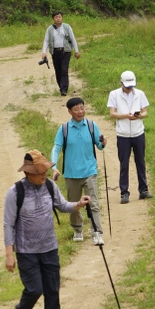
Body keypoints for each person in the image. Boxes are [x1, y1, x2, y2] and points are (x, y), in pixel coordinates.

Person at [4, 149, 90, 309]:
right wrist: (9, 253)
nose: (44, 174)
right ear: (28, 173)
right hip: (26, 251)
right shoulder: (15, 192)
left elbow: (62, 206)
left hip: (49, 248)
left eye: (45, 170)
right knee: (35, 289)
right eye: (40, 172)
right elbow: (8, 224)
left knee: (52, 290)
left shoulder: (50, 186)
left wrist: (77, 204)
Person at [50, 97, 107, 245]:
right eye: (76, 109)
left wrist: (103, 143)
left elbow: (99, 146)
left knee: (93, 203)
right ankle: (77, 229)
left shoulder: (91, 125)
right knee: (74, 204)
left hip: (90, 171)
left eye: (82, 108)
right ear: (69, 111)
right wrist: (54, 166)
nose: (80, 111)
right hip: (71, 174)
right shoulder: (64, 129)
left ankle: (96, 232)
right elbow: (56, 148)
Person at [107, 70, 151, 204]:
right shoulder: (114, 94)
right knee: (124, 164)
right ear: (121, 83)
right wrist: (126, 116)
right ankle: (124, 192)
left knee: (140, 162)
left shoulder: (140, 94)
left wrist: (138, 116)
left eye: (131, 85)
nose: (129, 88)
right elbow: (112, 114)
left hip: (138, 132)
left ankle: (143, 190)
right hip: (123, 134)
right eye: (127, 86)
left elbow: (145, 112)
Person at [41, 11, 79, 96]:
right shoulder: (50, 29)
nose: (58, 19)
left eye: (60, 17)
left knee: (64, 70)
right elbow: (46, 40)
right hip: (55, 52)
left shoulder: (67, 27)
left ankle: (64, 89)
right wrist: (44, 52)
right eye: (56, 17)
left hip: (66, 51)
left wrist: (76, 51)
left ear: (62, 18)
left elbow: (73, 39)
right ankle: (61, 86)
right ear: (53, 19)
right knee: (58, 70)